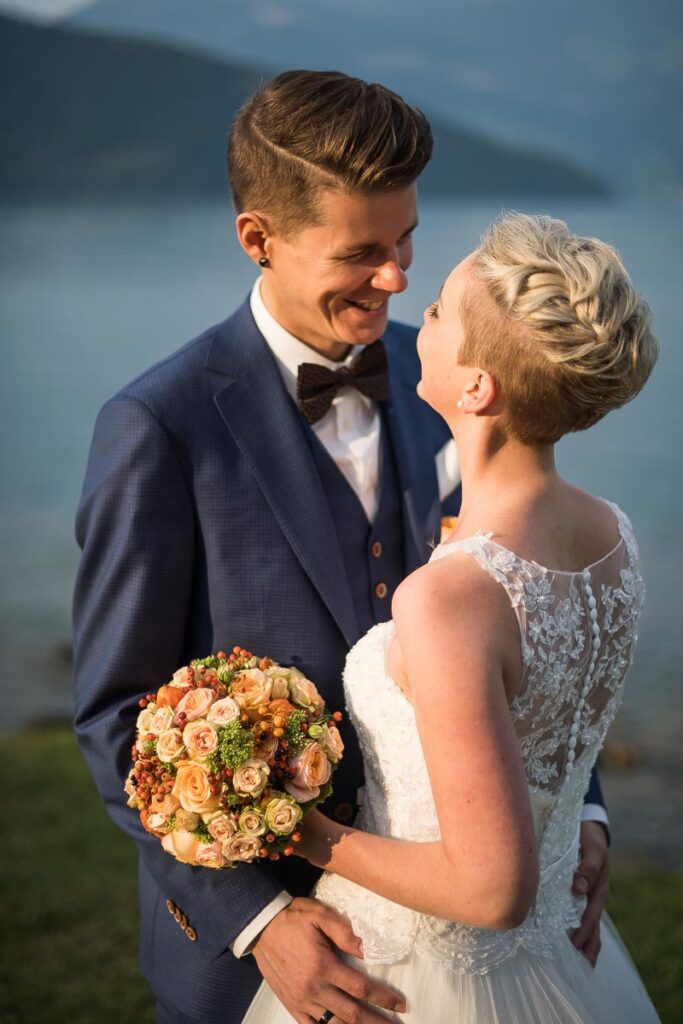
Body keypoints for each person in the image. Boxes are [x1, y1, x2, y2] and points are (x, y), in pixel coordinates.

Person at [72, 73, 610, 1024]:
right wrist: (257, 917)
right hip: (265, 963)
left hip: (472, 937)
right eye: (363, 252)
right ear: (258, 238)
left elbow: (523, 603)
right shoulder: (160, 427)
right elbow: (120, 716)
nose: (398, 277)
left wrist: (580, 810)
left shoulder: (447, 372)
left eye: (406, 241)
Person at [243, 211, 661, 1024]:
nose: (411, 313)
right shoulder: (613, 535)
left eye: (435, 309)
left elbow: (490, 890)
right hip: (560, 957)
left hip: (423, 981)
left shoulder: (447, 598)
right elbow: (550, 736)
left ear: (477, 387)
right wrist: (584, 819)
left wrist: (305, 834)